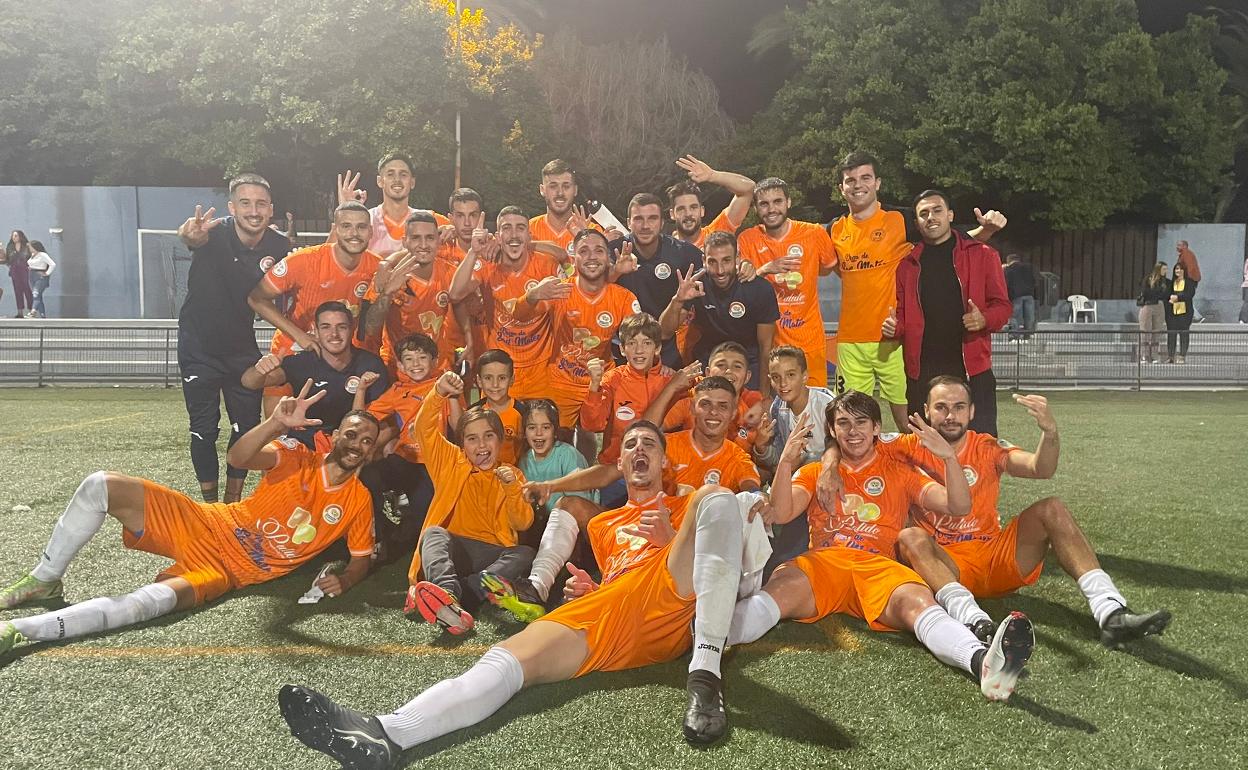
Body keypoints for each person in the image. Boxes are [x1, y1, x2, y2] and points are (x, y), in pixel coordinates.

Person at [278, 421, 758, 766]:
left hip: (672, 596)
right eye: (630, 443)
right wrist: (597, 584)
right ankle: (388, 732)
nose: (638, 449)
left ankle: (705, 675)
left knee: (717, 498)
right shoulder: (607, 522)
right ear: (620, 462)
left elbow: (721, 549)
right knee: (503, 662)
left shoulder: (683, 502)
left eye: (648, 444)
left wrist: (671, 538)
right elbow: (618, 571)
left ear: (662, 460)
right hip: (610, 613)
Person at [0, 383, 379, 654]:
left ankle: (21, 631)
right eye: (351, 434)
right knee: (100, 485)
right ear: (334, 436)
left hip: (225, 571)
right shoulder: (298, 456)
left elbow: (362, 558)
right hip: (206, 522)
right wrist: (275, 425)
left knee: (145, 606)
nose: (357, 445)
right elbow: (239, 459)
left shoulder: (359, 501)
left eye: (366, 441)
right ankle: (45, 580)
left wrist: (344, 580)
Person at [727, 391, 1036, 703]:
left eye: (861, 422)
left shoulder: (900, 471)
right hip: (825, 561)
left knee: (917, 603)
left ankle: (983, 663)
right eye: (843, 424)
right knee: (780, 590)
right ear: (833, 431)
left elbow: (957, 505)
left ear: (876, 428)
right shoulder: (814, 473)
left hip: (877, 566)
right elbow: (781, 513)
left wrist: (948, 459)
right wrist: (785, 463)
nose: (853, 431)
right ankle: (709, 636)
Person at [886, 376, 1172, 647]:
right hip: (945, 564)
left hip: (993, 557)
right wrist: (836, 459)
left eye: (959, 407)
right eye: (941, 407)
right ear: (926, 410)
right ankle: (974, 622)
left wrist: (1050, 432)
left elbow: (1041, 468)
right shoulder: (906, 447)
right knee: (910, 537)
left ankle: (1110, 611)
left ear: (971, 411)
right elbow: (858, 440)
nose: (950, 415)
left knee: (1053, 508)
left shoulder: (986, 446)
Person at [829, 151, 1006, 431]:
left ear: (877, 183)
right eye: (850, 180)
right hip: (854, 340)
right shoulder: (834, 230)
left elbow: (943, 233)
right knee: (854, 419)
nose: (858, 184)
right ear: (842, 188)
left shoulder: (900, 219)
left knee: (910, 424)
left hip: (897, 342)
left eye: (865, 177)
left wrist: (984, 232)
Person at [175, 174, 293, 503]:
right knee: (204, 427)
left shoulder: (279, 245)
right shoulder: (212, 232)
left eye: (260, 204)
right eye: (245, 203)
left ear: (271, 210)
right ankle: (211, 508)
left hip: (241, 346)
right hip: (198, 344)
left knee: (246, 425)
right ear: (232, 207)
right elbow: (190, 236)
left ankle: (232, 504)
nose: (253, 211)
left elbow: (305, 273)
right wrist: (189, 234)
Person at [403, 372, 535, 633]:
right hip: (455, 549)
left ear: (500, 440)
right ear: (462, 444)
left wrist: (510, 487)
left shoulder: (513, 474)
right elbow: (423, 429)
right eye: (472, 438)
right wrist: (438, 392)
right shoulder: (451, 461)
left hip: (491, 556)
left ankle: (455, 600)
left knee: (524, 553)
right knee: (433, 534)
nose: (481, 445)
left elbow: (523, 522)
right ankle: (448, 595)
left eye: (489, 436)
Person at [886, 190, 1011, 436]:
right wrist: (895, 327)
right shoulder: (907, 265)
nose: (930, 217)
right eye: (923, 214)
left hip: (971, 371)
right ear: (916, 223)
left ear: (950, 215)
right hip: (922, 373)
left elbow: (1003, 307)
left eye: (937, 210)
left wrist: (984, 319)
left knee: (980, 450)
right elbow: (904, 315)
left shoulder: (983, 255)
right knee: (924, 454)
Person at [517, 229, 641, 439]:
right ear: (574, 258)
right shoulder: (559, 291)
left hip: (602, 380)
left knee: (616, 437)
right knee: (553, 444)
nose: (592, 256)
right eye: (584, 250)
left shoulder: (624, 298)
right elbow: (519, 315)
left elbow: (640, 338)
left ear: (608, 258)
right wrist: (533, 295)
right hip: (561, 382)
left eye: (599, 250)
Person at [449, 206, 563, 398]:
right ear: (498, 236)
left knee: (540, 428)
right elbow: (455, 294)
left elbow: (565, 260)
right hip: (500, 369)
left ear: (529, 235)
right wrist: (473, 252)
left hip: (541, 370)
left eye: (520, 228)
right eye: (507, 228)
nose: (514, 235)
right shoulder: (487, 264)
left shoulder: (546, 264)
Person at [241, 302, 389, 449]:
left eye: (341, 327)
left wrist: (368, 451)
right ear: (316, 331)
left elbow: (386, 422)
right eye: (326, 327)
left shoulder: (371, 364)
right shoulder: (302, 363)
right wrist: (260, 370)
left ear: (352, 329)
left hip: (352, 445)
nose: (334, 334)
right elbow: (249, 382)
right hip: (307, 443)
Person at [737, 178, 838, 387]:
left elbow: (828, 268)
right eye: (764, 204)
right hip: (769, 347)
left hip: (809, 342)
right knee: (775, 412)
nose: (771, 209)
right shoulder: (747, 239)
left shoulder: (813, 233)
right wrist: (766, 269)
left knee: (816, 409)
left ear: (788, 202)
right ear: (756, 207)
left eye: (777, 201)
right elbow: (740, 289)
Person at [357, 332, 448, 563]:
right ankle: (378, 536)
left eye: (422, 357)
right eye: (409, 359)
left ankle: (415, 535)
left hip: (432, 464)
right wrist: (360, 390)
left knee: (425, 526)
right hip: (404, 459)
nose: (416, 364)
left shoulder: (444, 384)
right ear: (400, 365)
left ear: (434, 361)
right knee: (367, 477)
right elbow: (361, 418)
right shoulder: (398, 391)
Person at [660, 231, 779, 394]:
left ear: (737, 258)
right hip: (708, 359)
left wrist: (764, 397)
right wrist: (678, 299)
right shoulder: (695, 285)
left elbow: (766, 347)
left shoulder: (759, 289)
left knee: (749, 412)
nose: (720, 270)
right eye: (712, 262)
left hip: (750, 361)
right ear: (704, 261)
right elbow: (664, 333)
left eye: (726, 260)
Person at [610, 193, 705, 368]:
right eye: (638, 219)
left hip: (665, 344)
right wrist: (615, 272)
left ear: (662, 222)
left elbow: (718, 267)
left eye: (652, 218)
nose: (645, 226)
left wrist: (744, 264)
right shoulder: (613, 251)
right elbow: (591, 287)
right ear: (628, 222)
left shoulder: (684, 254)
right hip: (619, 347)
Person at [361, 211, 458, 374]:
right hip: (398, 370)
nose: (424, 245)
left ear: (438, 241)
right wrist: (388, 292)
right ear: (404, 242)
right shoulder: (387, 275)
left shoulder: (451, 273)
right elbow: (369, 328)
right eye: (415, 238)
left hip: (438, 369)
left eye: (430, 238)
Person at [335, 155, 449, 258]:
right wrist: (344, 213)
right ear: (380, 181)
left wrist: (453, 231)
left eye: (403, 175)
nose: (397, 180)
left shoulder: (431, 220)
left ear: (412, 182)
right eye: (390, 174)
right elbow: (330, 257)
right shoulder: (366, 219)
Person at [668, 155, 755, 250]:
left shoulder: (717, 234)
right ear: (672, 214)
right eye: (681, 209)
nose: (688, 213)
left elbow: (749, 189)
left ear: (702, 211)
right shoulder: (664, 248)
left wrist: (713, 175)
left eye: (693, 207)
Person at [468, 349, 526, 465]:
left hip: (512, 476)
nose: (495, 385)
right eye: (488, 378)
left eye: (502, 378)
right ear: (479, 380)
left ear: (512, 380)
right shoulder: (473, 413)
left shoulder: (523, 412)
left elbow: (527, 451)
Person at [1137, 261, 1170, 363]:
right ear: (1158, 269)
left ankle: (1154, 355)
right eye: (1164, 269)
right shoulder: (1148, 279)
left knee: (1157, 331)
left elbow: (1166, 294)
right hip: (1147, 306)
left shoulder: (1166, 281)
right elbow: (1146, 292)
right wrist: (1159, 292)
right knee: (1145, 331)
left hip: (1159, 306)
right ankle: (1144, 355)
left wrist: (1157, 293)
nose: (1165, 271)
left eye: (1166, 269)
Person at [1164, 263, 1196, 364]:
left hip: (1185, 314)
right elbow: (1167, 295)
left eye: (1180, 269)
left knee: (1184, 335)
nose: (1178, 271)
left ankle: (1182, 356)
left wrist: (1178, 297)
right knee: (1171, 335)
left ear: (1184, 270)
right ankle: (1171, 356)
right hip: (1172, 314)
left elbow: (1190, 294)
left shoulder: (1189, 282)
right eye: (1176, 269)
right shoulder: (1171, 283)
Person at [1003, 254, 1036, 340]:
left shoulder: (1008, 269)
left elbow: (1006, 283)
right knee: (1029, 316)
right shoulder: (1028, 268)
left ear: (1008, 261)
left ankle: (1015, 336)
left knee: (1014, 316)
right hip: (1029, 295)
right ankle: (1027, 335)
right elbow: (1034, 280)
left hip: (1016, 295)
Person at [5, 229, 33, 318]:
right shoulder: (10, 246)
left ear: (20, 236)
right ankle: (20, 312)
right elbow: (8, 259)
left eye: (16, 235)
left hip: (24, 270)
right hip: (14, 271)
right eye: (13, 235)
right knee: (17, 291)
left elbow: (31, 257)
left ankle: (31, 311)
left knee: (27, 289)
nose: (14, 237)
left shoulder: (26, 246)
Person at [25, 240, 55, 318]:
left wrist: (47, 273)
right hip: (31, 275)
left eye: (30, 247)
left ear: (35, 247)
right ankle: (43, 315)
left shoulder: (42, 255)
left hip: (40, 276)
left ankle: (33, 312)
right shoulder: (32, 255)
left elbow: (52, 264)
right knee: (38, 297)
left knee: (36, 294)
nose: (29, 248)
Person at [1175, 240, 1201, 320]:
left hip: (1188, 280)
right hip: (1189, 279)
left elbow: (1190, 267)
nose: (1177, 247)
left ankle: (1195, 316)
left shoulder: (1186, 254)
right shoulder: (1186, 254)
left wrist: (1185, 280)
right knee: (1185, 298)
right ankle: (1195, 316)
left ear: (1185, 246)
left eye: (1179, 245)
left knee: (1184, 297)